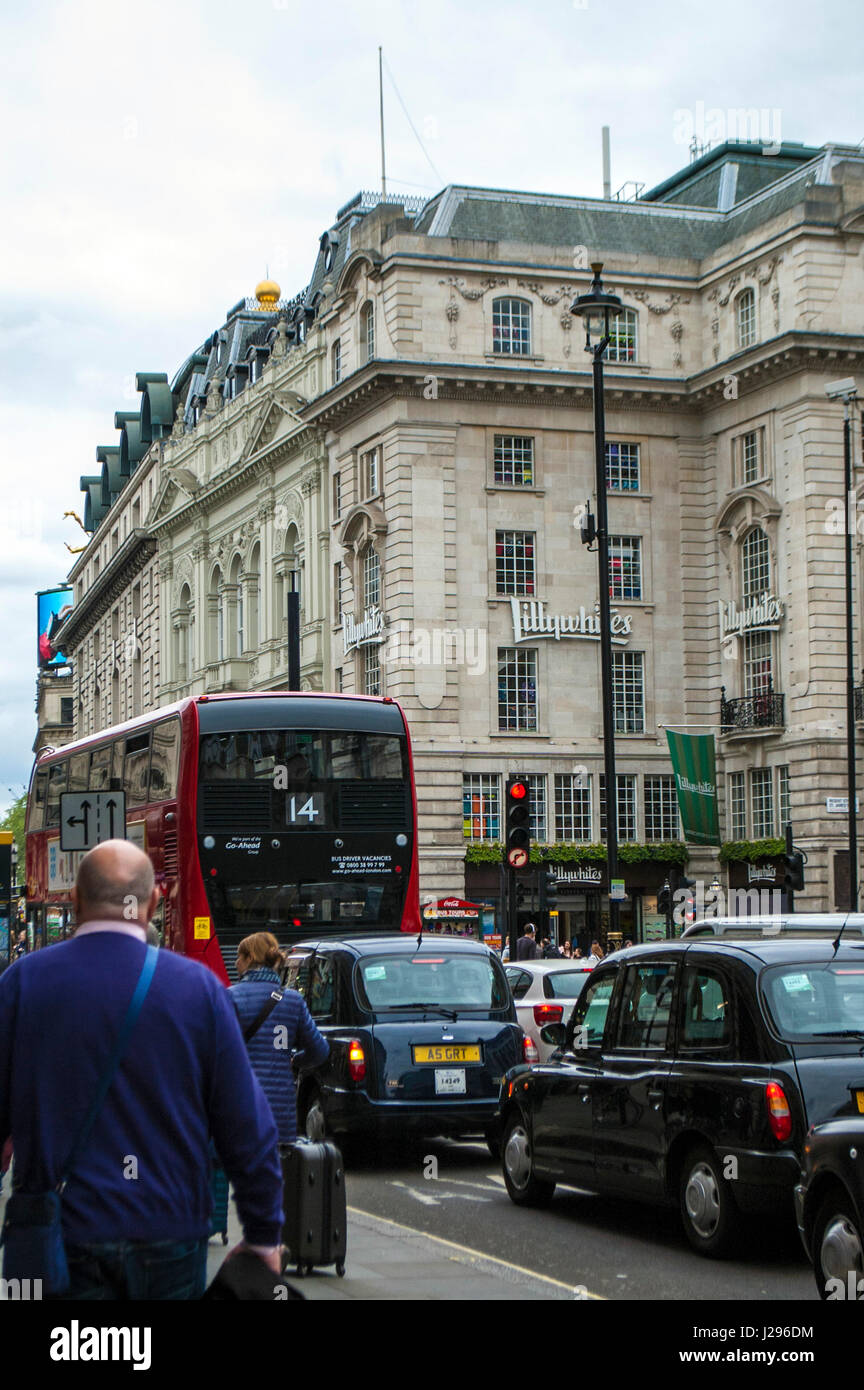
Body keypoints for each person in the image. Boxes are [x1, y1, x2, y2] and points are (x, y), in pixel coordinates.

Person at [0, 840, 283, 1301]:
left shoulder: (23, 983)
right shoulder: (199, 990)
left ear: (75, 900)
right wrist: (264, 1234)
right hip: (168, 1234)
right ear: (153, 902)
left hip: (56, 1234)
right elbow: (247, 1127)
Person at [229, 932, 329, 1143]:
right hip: (280, 1112)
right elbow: (320, 1050)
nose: (236, 963)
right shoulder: (293, 1001)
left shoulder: (230, 997)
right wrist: (295, 1060)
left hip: (239, 1106)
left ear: (249, 959)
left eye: (239, 957)